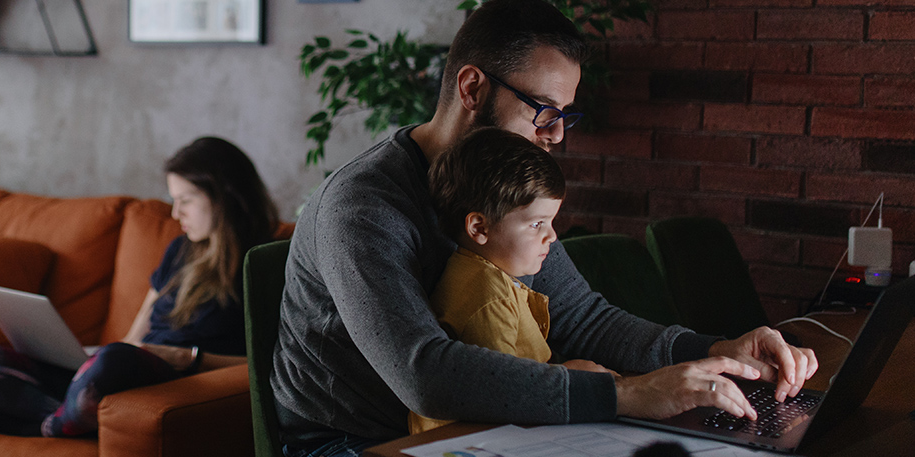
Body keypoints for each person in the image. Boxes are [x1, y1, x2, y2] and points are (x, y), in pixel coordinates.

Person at [270, 0, 818, 455]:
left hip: (468, 434)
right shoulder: (363, 205)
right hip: (352, 443)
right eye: (543, 109)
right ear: (472, 89)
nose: (556, 135)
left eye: (564, 115)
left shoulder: (499, 186)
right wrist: (624, 394)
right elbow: (425, 375)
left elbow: (583, 320)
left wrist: (719, 350)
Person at [0, 136, 279, 438]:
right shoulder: (179, 250)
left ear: (225, 197)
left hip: (175, 378)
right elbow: (133, 336)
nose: (176, 213)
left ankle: (43, 423)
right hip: (118, 371)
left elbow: (269, 364)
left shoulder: (264, 262)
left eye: (186, 200)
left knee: (113, 360)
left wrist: (186, 357)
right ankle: (69, 415)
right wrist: (79, 354)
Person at [409, 127, 614, 434]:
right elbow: (503, 397)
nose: (553, 236)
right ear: (479, 227)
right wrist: (571, 375)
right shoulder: (488, 297)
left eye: (551, 221)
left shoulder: (489, 277)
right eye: (537, 224)